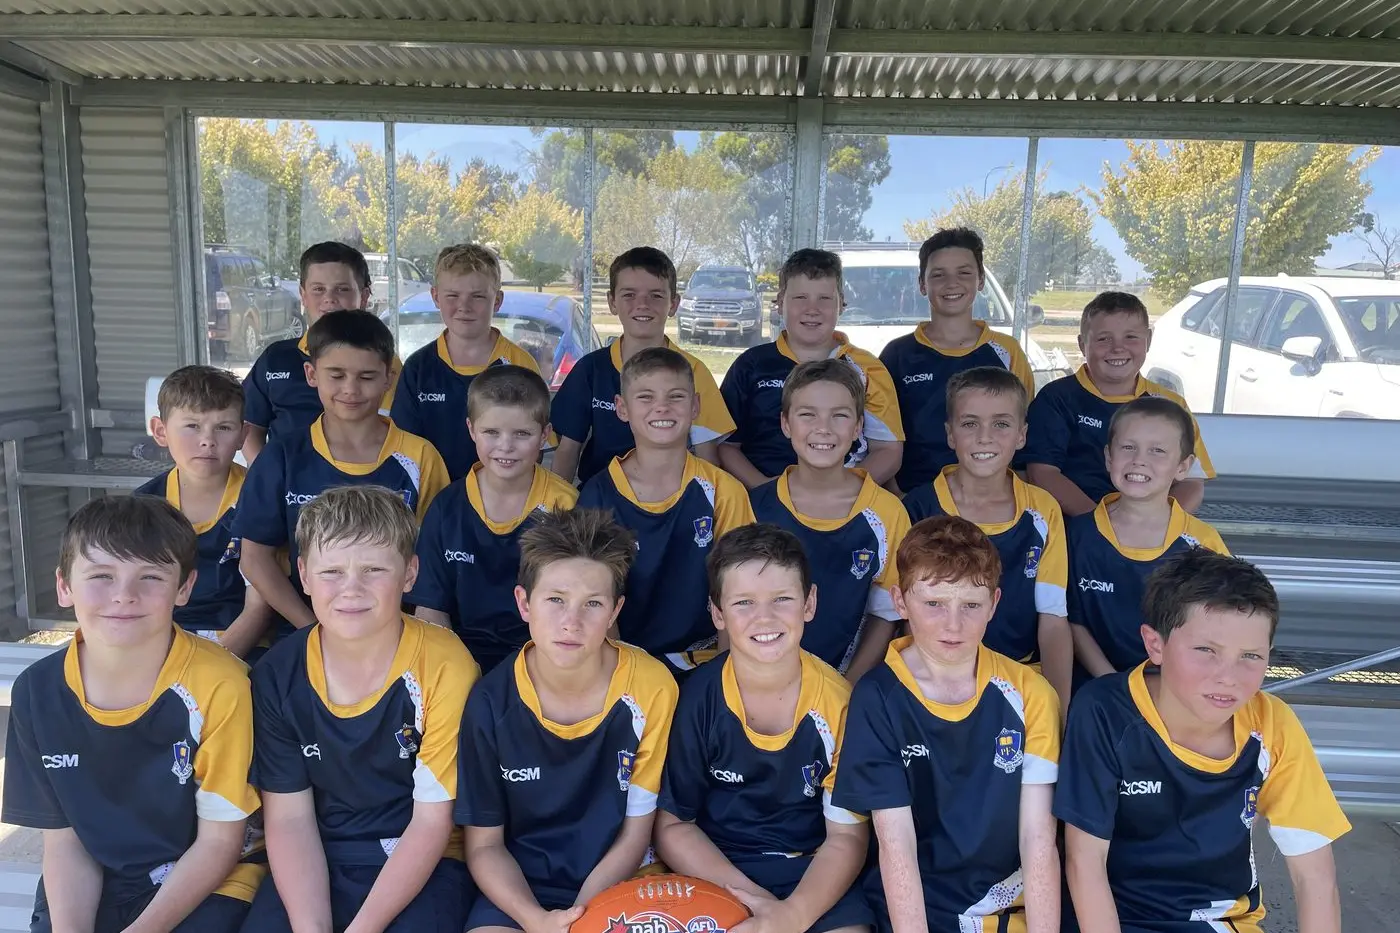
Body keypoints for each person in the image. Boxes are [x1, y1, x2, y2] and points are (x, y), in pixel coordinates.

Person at [1057, 549, 1350, 933]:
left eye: (1250, 656)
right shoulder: (1105, 712)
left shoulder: (1272, 723)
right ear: (1155, 644)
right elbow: (1085, 862)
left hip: (1217, 921)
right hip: (1113, 918)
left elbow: (1314, 878)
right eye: (1206, 651)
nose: (1228, 676)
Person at [3, 496, 260, 933]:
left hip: (206, 877)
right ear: (64, 586)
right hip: (100, 879)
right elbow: (66, 842)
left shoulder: (221, 684)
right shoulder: (37, 692)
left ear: (184, 587)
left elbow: (219, 842)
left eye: (151, 577)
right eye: (101, 575)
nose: (124, 595)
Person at [241, 486, 480, 933]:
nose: (351, 589)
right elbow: (290, 818)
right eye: (331, 571)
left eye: (374, 569)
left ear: (410, 574)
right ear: (304, 577)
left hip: (422, 860)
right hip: (318, 854)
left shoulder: (445, 664)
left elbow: (432, 822)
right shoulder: (277, 674)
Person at [833, 516, 1061, 933]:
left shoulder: (1030, 692)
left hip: (1010, 896)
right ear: (901, 602)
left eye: (970, 605)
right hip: (922, 900)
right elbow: (895, 844)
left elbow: (1038, 837)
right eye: (933, 603)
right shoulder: (878, 696)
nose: (953, 625)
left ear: (994, 603)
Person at [457, 507, 678, 933]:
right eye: (555, 599)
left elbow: (636, 834)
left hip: (622, 880)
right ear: (524, 602)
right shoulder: (490, 702)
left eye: (592, 604)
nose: (571, 622)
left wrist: (580, 917)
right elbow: (484, 846)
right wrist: (536, 920)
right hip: (520, 889)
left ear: (615, 611)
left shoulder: (652, 686)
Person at [655, 523, 873, 933]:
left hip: (812, 871)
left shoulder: (840, 704)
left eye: (782, 599)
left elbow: (845, 839)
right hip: (716, 869)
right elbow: (673, 824)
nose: (765, 617)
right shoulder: (696, 699)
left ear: (810, 603)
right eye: (743, 603)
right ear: (717, 613)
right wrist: (751, 902)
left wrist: (792, 916)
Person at [234, 309, 451, 634]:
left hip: (395, 635)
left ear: (389, 377)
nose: (350, 389)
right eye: (336, 375)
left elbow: (434, 562)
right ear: (311, 374)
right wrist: (313, 630)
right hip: (302, 629)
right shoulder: (282, 456)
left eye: (366, 377)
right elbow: (254, 558)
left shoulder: (420, 457)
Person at [578, 345, 755, 677]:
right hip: (622, 661)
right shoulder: (597, 494)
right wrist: (619, 671)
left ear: (696, 406)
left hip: (703, 660)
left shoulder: (723, 491)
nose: (661, 406)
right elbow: (592, 595)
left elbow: (739, 590)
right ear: (622, 408)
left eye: (676, 396)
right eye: (645, 397)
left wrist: (725, 676)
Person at [903, 366, 1072, 712]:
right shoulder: (918, 507)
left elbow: (1053, 620)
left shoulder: (1043, 510)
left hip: (1022, 676)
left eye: (1001, 424)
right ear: (950, 434)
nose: (985, 437)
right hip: (933, 682)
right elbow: (907, 617)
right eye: (969, 424)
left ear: (1022, 435)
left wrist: (1057, 711)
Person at [749, 359, 909, 681]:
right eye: (808, 414)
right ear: (785, 424)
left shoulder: (887, 514)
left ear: (858, 427)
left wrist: (847, 686)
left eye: (839, 415)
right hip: (761, 682)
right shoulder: (753, 508)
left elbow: (885, 616)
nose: (823, 428)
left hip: (845, 685)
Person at [410, 365, 578, 671]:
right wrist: (456, 673)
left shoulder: (565, 506)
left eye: (522, 434)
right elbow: (431, 610)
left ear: (545, 435)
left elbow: (576, 609)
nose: (506, 446)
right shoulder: (447, 507)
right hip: (460, 655)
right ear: (471, 429)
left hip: (543, 658)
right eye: (491, 432)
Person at [1067, 396, 1230, 683]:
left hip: (1174, 689)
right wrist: (1112, 684)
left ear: (1183, 466)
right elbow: (1072, 622)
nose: (1139, 460)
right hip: (1096, 687)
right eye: (1128, 447)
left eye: (1157, 451)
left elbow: (1218, 627)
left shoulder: (1203, 544)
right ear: (1108, 457)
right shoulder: (1075, 535)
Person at [719, 248, 904, 488]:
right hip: (762, 502)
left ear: (842, 304)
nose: (812, 309)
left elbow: (888, 450)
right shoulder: (751, 364)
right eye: (800, 298)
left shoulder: (868, 369)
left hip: (843, 502)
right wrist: (765, 491)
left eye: (825, 299)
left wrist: (837, 493)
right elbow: (726, 446)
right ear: (779, 303)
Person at [551, 246, 735, 485]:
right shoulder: (591, 369)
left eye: (656, 296)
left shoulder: (693, 371)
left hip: (672, 502)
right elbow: (567, 451)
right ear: (612, 302)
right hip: (600, 508)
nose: (642, 304)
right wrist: (556, 518)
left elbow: (707, 458)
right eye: (629, 295)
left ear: (674, 304)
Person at [1026, 291, 1216, 516]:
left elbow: (1192, 483)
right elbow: (1042, 473)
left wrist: (1155, 524)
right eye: (1103, 338)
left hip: (1149, 534)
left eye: (1131, 337)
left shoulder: (1171, 406)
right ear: (1081, 343)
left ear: (1149, 340)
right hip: (1075, 529)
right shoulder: (1056, 398)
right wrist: (1100, 526)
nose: (1117, 348)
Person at [878, 228, 1034, 494]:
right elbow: (882, 438)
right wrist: (900, 500)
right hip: (914, 500)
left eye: (964, 273)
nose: (952, 284)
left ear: (981, 280)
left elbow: (1023, 436)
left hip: (988, 501)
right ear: (922, 284)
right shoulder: (897, 354)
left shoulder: (1007, 351)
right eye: (938, 275)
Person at [138, 364, 271, 658]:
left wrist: (214, 665)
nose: (207, 440)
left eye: (223, 427)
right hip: (163, 643)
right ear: (160, 431)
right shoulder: (142, 506)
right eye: (192, 426)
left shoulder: (263, 497)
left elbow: (259, 606)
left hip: (246, 643)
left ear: (243, 435)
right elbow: (136, 598)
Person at [390, 244, 546, 480]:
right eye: (452, 295)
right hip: (434, 500)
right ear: (435, 297)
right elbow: (404, 447)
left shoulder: (519, 364)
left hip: (502, 500)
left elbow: (535, 445)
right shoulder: (418, 368)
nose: (464, 306)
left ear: (497, 300)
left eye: (478, 296)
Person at [242, 242, 401, 463]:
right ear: (303, 295)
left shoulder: (385, 365)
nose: (329, 299)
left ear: (364, 296)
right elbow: (251, 426)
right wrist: (269, 475)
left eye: (342, 289)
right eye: (318, 289)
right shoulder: (275, 359)